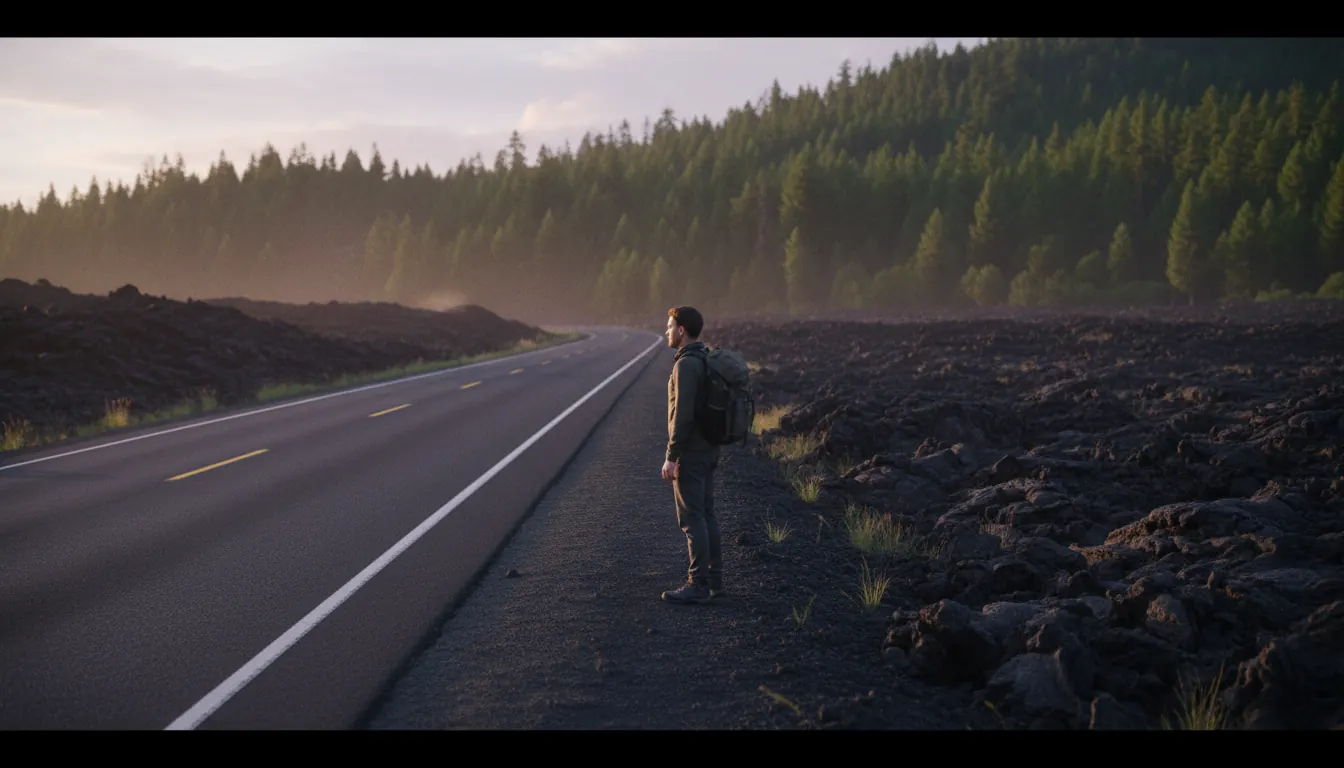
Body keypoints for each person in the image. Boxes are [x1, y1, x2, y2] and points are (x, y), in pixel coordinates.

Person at [660, 305, 724, 604]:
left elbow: (682, 415)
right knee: (707, 514)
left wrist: (672, 456)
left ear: (681, 330)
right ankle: (714, 582)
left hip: (692, 453)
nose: (667, 331)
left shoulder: (685, 366)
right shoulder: (705, 358)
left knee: (692, 518)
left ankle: (697, 584)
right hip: (709, 448)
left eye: (670, 326)